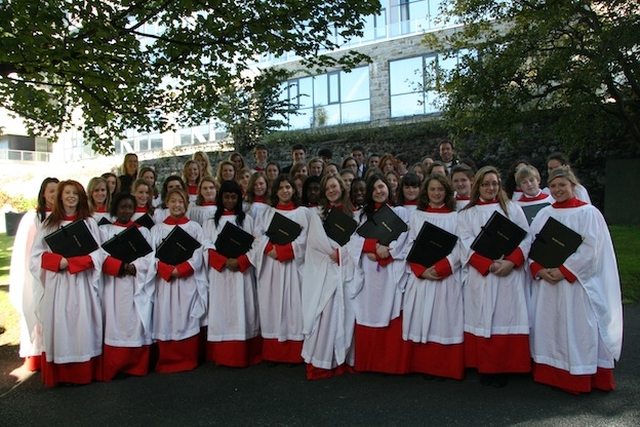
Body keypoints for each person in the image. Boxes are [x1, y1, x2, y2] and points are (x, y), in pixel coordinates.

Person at [528, 167, 622, 394]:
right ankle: (552, 374)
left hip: (575, 285)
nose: (558, 190)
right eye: (553, 186)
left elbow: (592, 250)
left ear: (573, 186)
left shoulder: (588, 213)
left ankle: (579, 376)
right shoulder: (544, 214)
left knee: (577, 326)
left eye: (562, 185)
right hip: (547, 284)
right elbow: (532, 245)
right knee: (551, 327)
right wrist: (539, 268)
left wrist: (564, 271)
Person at [458, 166, 532, 387]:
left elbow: (525, 238)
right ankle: (485, 366)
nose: (490, 187)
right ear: (477, 186)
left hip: (508, 274)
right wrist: (487, 265)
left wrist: (512, 262)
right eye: (485, 184)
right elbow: (465, 243)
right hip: (482, 276)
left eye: (494, 183)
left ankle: (507, 366)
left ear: (500, 186)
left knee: (505, 317)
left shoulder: (512, 209)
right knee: (482, 318)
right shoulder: (467, 214)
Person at [29, 180, 104, 386]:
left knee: (81, 322)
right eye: (67, 193)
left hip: (81, 283)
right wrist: (59, 262)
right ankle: (61, 372)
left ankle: (83, 371)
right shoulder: (48, 224)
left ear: (81, 198)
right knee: (59, 323)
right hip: (57, 284)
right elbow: (36, 257)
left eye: (75, 194)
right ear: (60, 196)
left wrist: (73, 263)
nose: (71, 196)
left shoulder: (88, 223)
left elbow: (98, 255)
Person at [403, 173, 464, 380]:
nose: (436, 193)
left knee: (444, 318)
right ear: (425, 192)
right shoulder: (417, 216)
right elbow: (409, 244)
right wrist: (420, 270)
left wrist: (442, 267)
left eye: (440, 189)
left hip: (444, 278)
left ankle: (444, 366)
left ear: (447, 192)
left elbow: (459, 247)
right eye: (432, 189)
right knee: (421, 316)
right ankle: (422, 365)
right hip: (421, 277)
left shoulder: (456, 217)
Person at [351, 173, 410, 374]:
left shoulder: (400, 212)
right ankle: (369, 362)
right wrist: (373, 247)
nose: (379, 191)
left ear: (389, 188)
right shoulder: (361, 215)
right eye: (375, 188)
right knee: (367, 309)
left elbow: (405, 238)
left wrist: (386, 253)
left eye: (382, 187)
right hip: (368, 270)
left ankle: (391, 364)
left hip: (390, 269)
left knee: (391, 307)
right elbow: (352, 240)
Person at [302, 173, 357, 379]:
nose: (332, 190)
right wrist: (334, 253)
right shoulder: (318, 216)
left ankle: (345, 359)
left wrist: (343, 253)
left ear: (342, 188)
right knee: (326, 315)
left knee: (347, 313)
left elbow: (358, 242)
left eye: (334, 186)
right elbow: (316, 243)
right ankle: (324, 361)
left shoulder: (355, 215)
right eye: (327, 189)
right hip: (326, 272)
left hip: (346, 270)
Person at [203, 180, 262, 367]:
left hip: (241, 273)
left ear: (239, 198)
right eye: (226, 196)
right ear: (221, 198)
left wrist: (241, 261)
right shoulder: (210, 222)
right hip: (220, 274)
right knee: (222, 311)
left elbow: (256, 246)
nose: (229, 200)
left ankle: (245, 353)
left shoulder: (248, 220)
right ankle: (222, 355)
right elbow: (205, 246)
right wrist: (223, 261)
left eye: (233, 197)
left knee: (243, 309)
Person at [251, 175, 309, 365]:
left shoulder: (303, 213)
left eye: (288, 187)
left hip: (293, 267)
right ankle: (273, 353)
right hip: (271, 268)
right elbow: (257, 236)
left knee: (294, 306)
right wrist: (270, 250)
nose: (285, 191)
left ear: (294, 190)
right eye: (281, 187)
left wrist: (284, 251)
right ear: (275, 191)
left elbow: (306, 239)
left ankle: (295, 352)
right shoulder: (266, 213)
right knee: (272, 305)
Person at [150, 188, 208, 373]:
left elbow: (200, 254)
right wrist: (168, 270)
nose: (177, 205)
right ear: (167, 203)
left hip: (187, 281)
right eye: (173, 201)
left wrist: (182, 269)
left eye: (180, 202)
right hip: (165, 282)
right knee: (166, 315)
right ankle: (167, 360)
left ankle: (188, 358)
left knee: (186, 316)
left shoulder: (194, 228)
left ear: (186, 204)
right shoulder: (157, 229)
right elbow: (150, 257)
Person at [100, 193, 155, 381]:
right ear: (115, 208)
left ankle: (136, 366)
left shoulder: (144, 231)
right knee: (116, 322)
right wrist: (120, 267)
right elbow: (101, 257)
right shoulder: (105, 231)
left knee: (136, 322)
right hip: (114, 285)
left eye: (130, 208)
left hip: (136, 282)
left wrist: (135, 266)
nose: (126, 211)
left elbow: (150, 257)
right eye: (122, 207)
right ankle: (117, 365)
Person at [9, 177, 59, 372]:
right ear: (43, 193)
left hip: (56, 274)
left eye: (58, 191)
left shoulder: (61, 216)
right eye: (51, 191)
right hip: (38, 272)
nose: (54, 195)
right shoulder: (34, 217)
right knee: (35, 308)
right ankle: (37, 351)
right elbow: (29, 250)